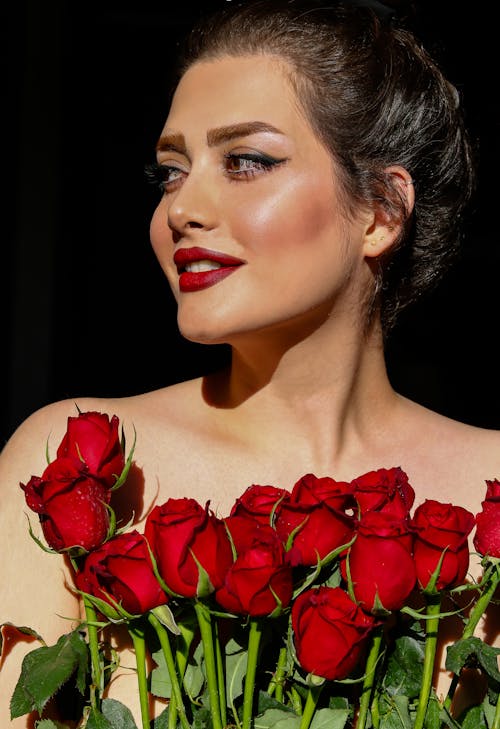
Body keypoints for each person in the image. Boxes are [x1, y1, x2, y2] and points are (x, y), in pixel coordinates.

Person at [1, 0, 498, 725]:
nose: (181, 208)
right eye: (170, 172)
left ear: (382, 211)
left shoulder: (493, 491)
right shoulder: (74, 465)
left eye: (246, 161)